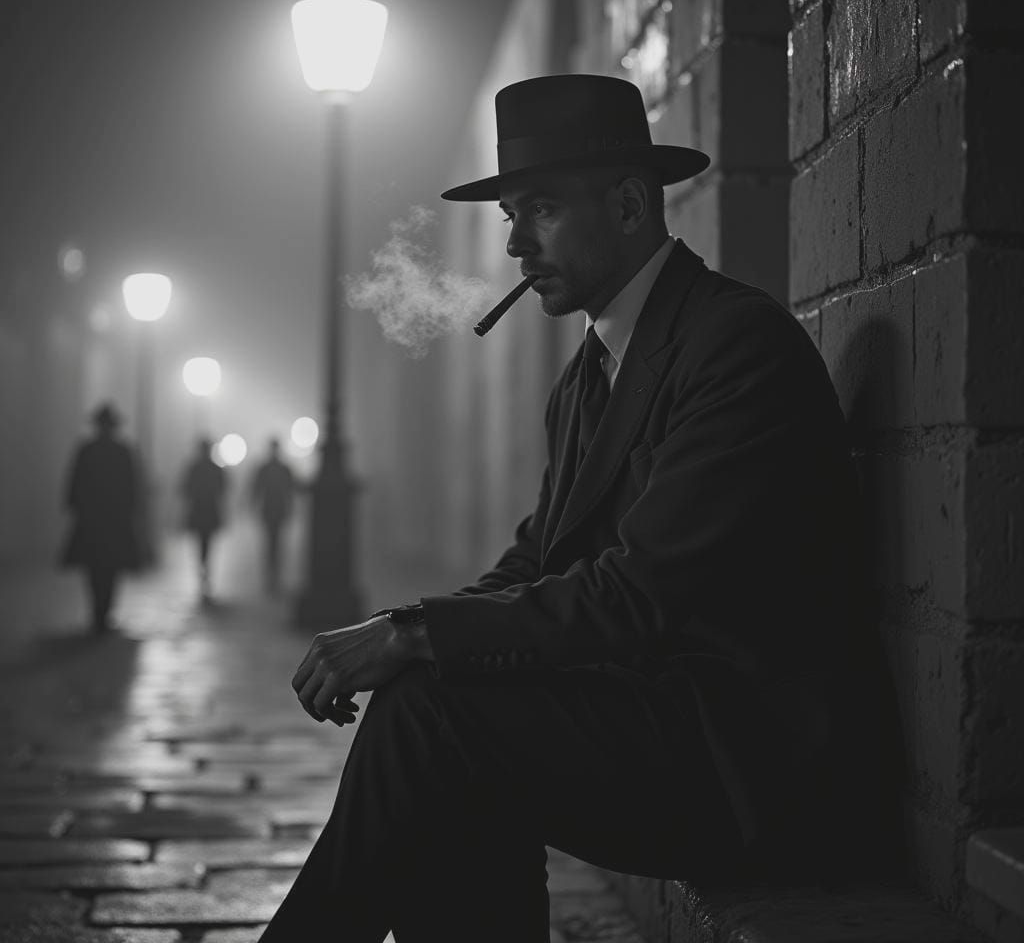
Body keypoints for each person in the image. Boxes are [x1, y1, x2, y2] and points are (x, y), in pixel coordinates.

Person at [259, 75, 888, 942]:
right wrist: (408, 629)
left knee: (435, 711)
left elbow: (638, 594)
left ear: (631, 204)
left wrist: (415, 638)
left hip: (752, 762)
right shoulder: (586, 378)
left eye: (541, 209)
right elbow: (539, 561)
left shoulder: (735, 346)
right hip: (657, 725)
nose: (516, 243)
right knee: (436, 706)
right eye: (512, 214)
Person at [60, 402, 142, 633]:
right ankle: (103, 610)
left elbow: (75, 482)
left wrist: (74, 505)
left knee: (95, 567)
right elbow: (131, 486)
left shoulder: (88, 450)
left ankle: (99, 611)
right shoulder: (120, 451)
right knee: (108, 567)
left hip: (95, 518)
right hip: (112, 519)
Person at [179, 437, 227, 600]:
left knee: (202, 545)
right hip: (208, 512)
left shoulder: (195, 468)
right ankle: (204, 573)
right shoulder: (214, 469)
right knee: (206, 545)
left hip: (200, 512)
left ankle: (203, 572)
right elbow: (223, 488)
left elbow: (184, 488)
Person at [250, 437, 296, 592]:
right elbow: (291, 489)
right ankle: (274, 575)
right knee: (275, 543)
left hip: (270, 509)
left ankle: (271, 576)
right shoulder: (283, 468)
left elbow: (256, 489)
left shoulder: (265, 468)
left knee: (272, 543)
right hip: (276, 509)